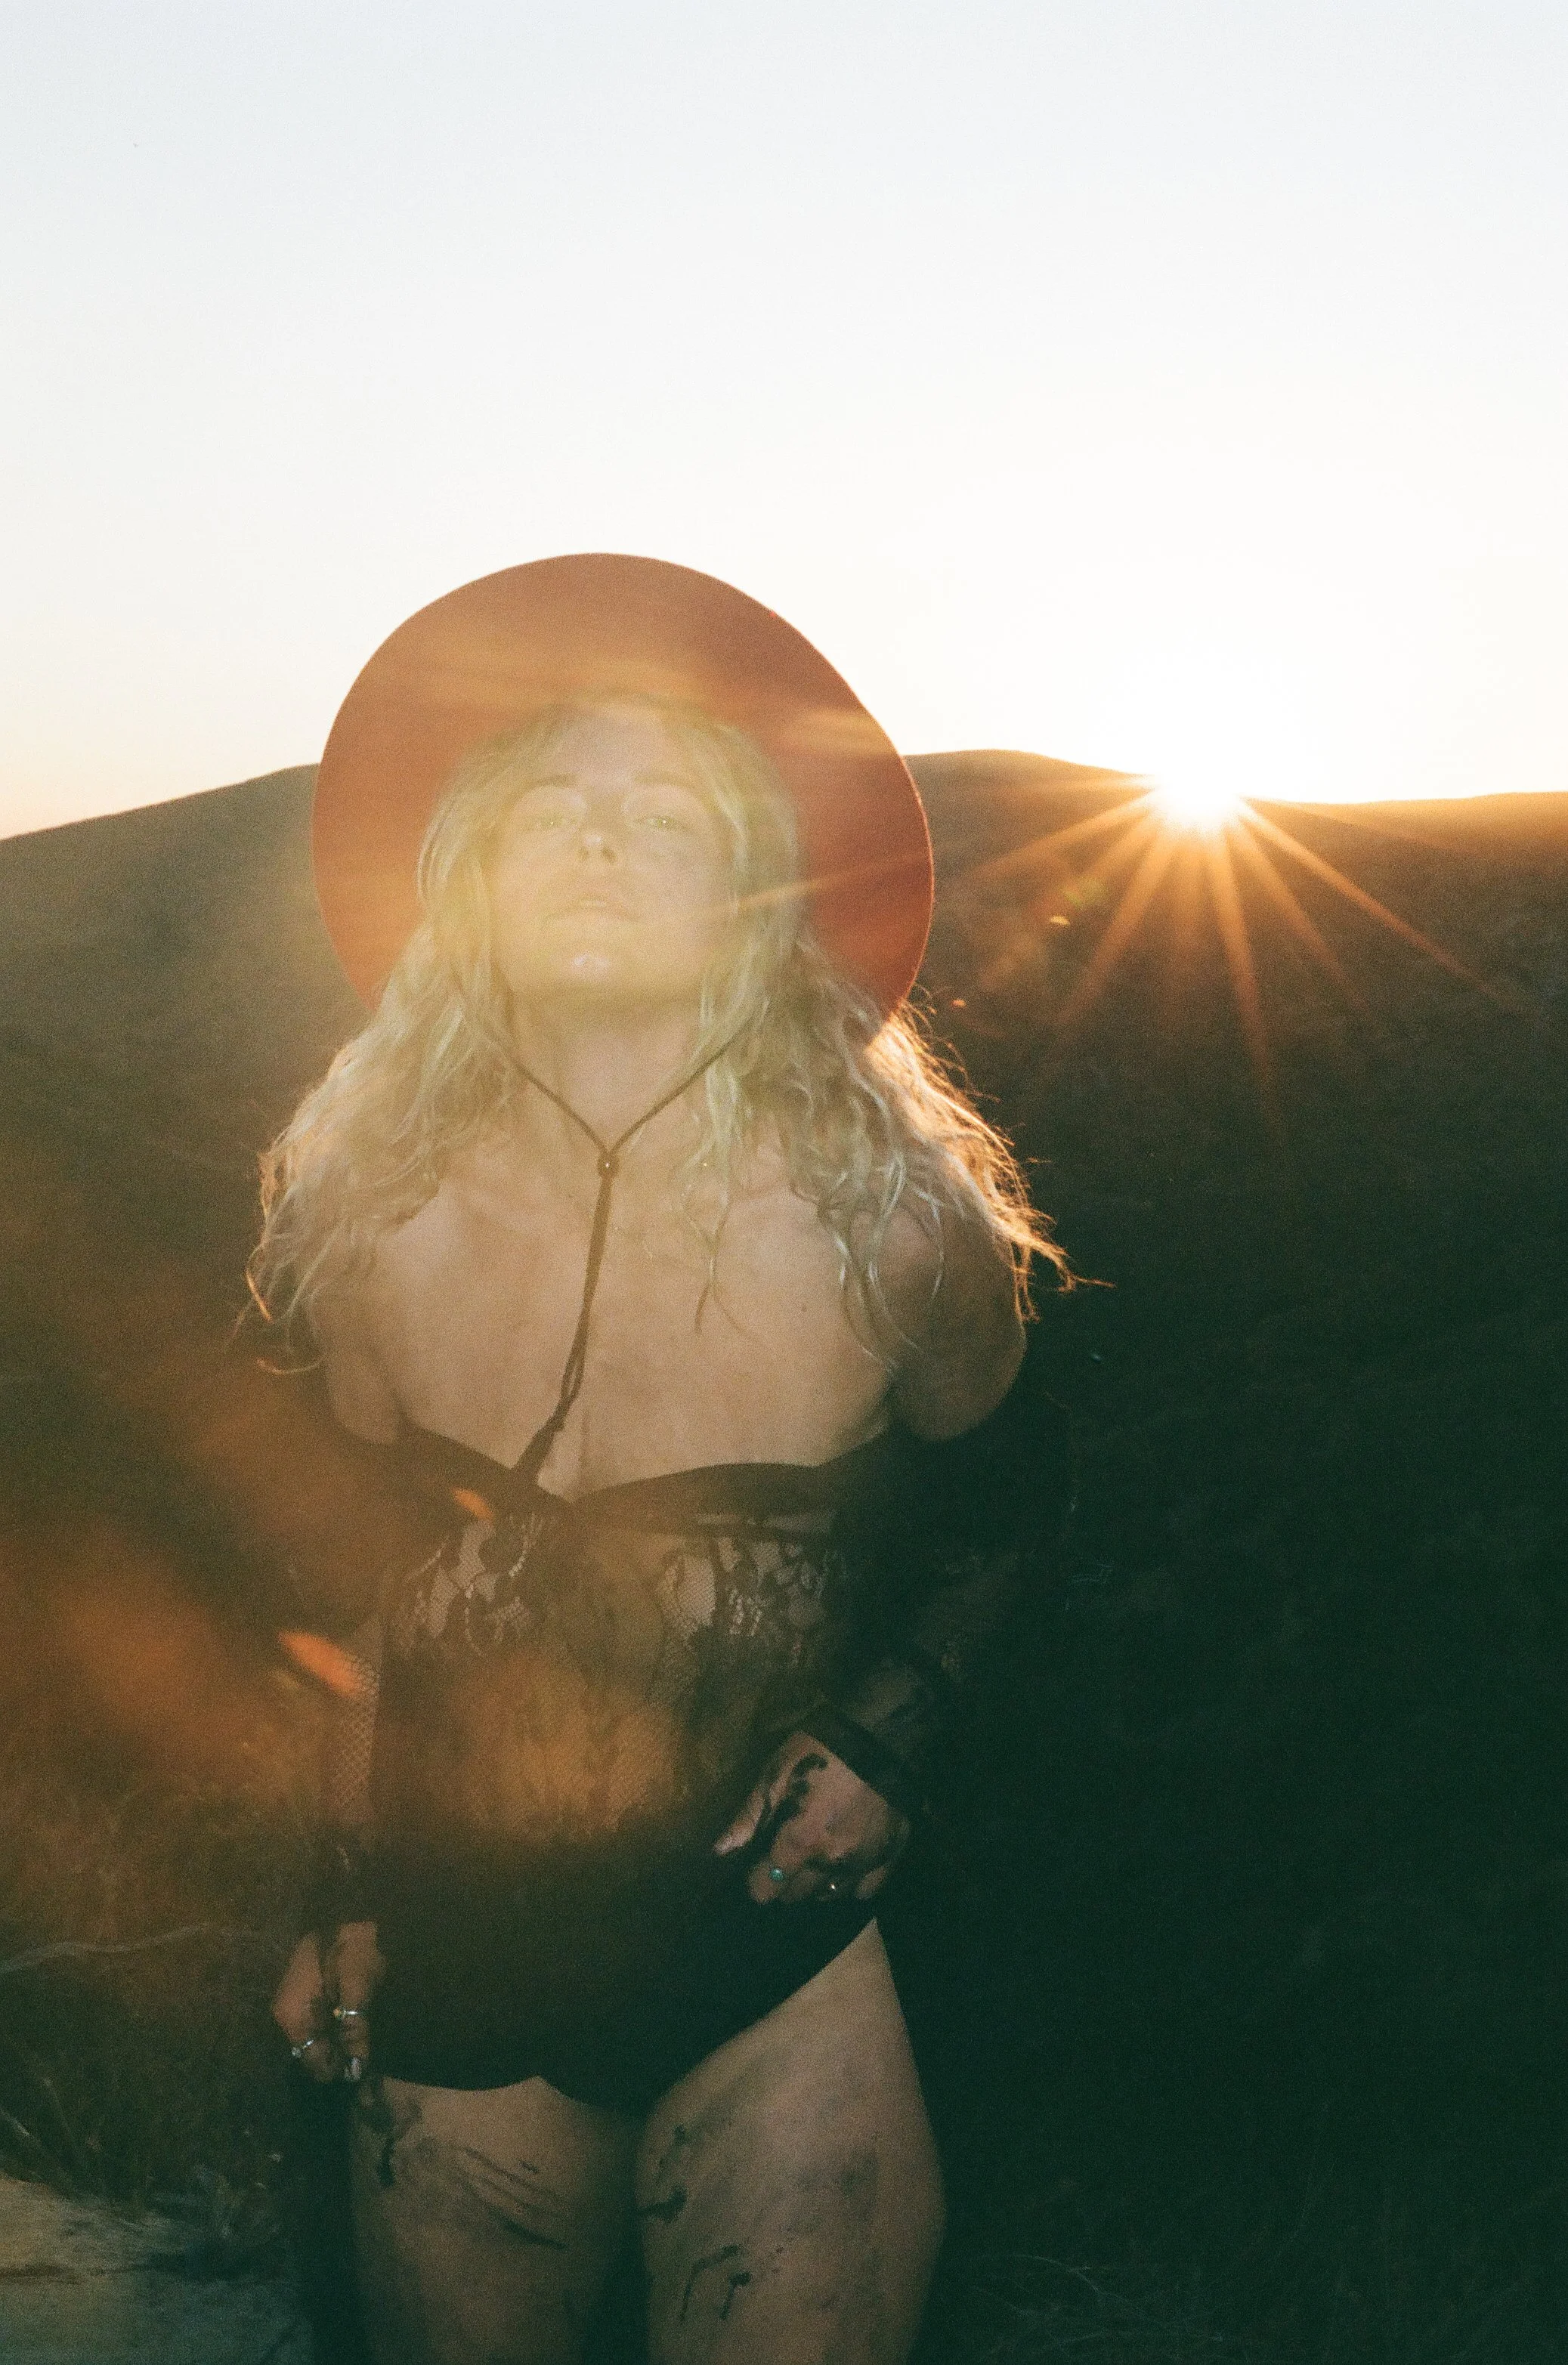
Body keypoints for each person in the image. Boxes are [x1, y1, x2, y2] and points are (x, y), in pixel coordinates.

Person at [260, 557, 1072, 2365]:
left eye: (665, 817)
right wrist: (340, 1899)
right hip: (460, 1960)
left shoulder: (885, 1221)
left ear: (754, 888)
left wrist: (885, 1741)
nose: (601, 846)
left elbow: (1016, 1508)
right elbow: (354, 1572)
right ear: (467, 874)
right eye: (549, 808)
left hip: (766, 1954)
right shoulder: (367, 1217)